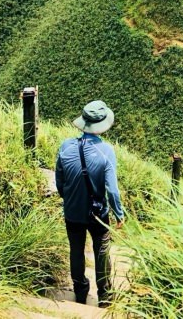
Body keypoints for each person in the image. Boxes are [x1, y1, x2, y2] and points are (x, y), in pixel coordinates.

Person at [56, 101, 125, 306]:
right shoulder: (106, 152)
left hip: (73, 211)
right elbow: (112, 190)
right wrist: (119, 214)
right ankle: (104, 295)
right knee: (102, 250)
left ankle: (80, 291)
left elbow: (60, 182)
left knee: (76, 250)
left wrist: (69, 199)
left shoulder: (66, 146)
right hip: (98, 213)